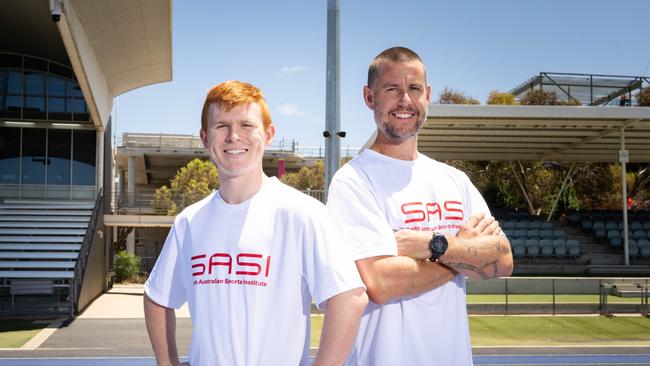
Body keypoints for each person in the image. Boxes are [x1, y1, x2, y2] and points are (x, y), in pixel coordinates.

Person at [144, 80, 367, 366]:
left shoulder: (302, 213)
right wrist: (168, 363)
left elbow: (349, 298)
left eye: (247, 125)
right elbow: (157, 297)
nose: (234, 136)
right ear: (204, 137)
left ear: (269, 134)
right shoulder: (189, 221)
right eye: (221, 125)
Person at [326, 47, 513, 365]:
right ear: (370, 98)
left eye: (414, 89)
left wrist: (433, 245)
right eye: (392, 89)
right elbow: (381, 283)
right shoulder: (353, 181)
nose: (405, 101)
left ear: (427, 95)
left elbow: (502, 260)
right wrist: (462, 252)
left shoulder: (455, 180)